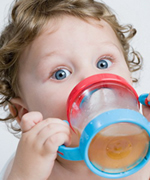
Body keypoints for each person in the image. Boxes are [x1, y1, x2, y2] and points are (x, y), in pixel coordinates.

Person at [0, 0, 150, 179]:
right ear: (24, 112)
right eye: (60, 74)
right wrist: (24, 173)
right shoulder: (32, 169)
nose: (90, 79)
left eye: (103, 63)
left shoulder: (143, 146)